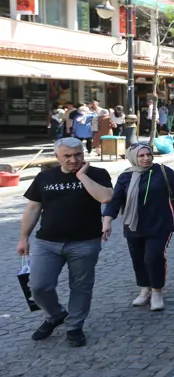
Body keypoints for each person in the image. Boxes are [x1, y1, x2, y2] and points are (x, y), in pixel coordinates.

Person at [16, 138, 113, 347]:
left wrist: (82, 177)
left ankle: (74, 326)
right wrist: (24, 237)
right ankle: (56, 315)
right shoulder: (44, 177)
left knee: (81, 286)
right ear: (57, 156)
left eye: (78, 154)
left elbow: (105, 197)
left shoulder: (97, 174)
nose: (73, 159)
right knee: (38, 286)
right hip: (47, 242)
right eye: (67, 156)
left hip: (85, 242)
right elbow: (33, 208)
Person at [102, 143, 174, 311]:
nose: (146, 158)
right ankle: (144, 289)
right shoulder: (125, 176)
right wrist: (107, 222)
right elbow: (115, 201)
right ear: (133, 157)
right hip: (133, 225)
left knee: (153, 256)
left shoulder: (163, 171)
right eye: (141, 156)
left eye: (148, 154)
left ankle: (156, 291)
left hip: (160, 223)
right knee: (138, 259)